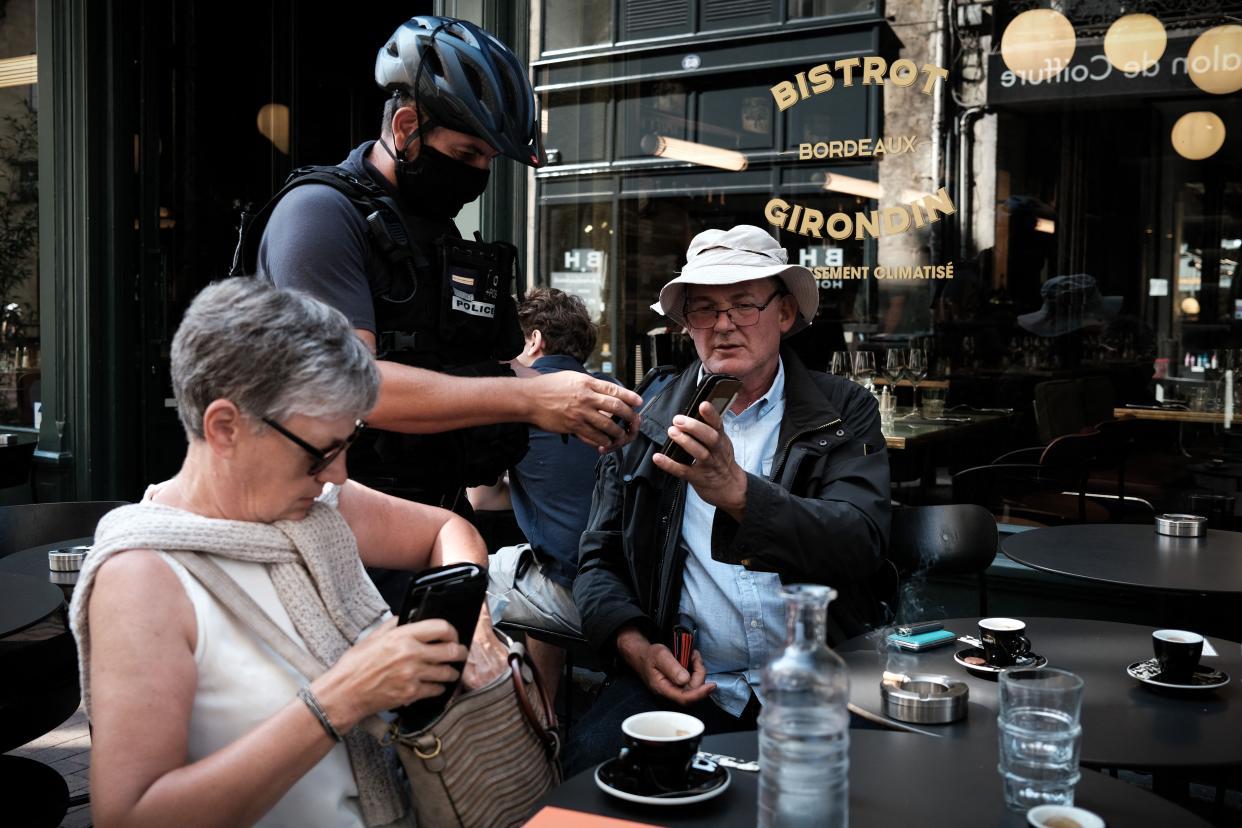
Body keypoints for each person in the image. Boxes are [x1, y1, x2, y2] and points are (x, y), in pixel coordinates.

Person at [70, 279, 509, 828]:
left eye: (348, 444)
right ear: (225, 427)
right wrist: (340, 699)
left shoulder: (318, 504)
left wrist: (473, 620)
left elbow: (448, 529)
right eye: (322, 452)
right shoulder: (142, 576)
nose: (339, 473)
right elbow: (130, 816)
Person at [239, 16, 641, 605]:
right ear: (406, 127)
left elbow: (461, 369)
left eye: (489, 159)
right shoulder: (320, 216)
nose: (479, 173)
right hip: (324, 540)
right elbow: (347, 388)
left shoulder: (429, 232)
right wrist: (531, 398)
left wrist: (576, 399)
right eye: (467, 152)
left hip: (431, 528)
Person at [569, 225, 891, 772]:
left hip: (819, 679)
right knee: (591, 773)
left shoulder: (844, 411)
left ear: (785, 314)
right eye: (704, 310)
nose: (724, 325)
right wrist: (636, 646)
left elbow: (861, 540)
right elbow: (597, 560)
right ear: (686, 324)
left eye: (744, 305)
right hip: (690, 683)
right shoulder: (647, 420)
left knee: (877, 786)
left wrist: (740, 494)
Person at [487, 287, 613, 696]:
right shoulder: (612, 389)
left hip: (578, 592)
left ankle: (522, 712)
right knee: (539, 562)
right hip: (626, 585)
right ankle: (549, 703)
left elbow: (481, 499)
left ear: (534, 339)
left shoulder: (516, 400)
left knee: (462, 573)